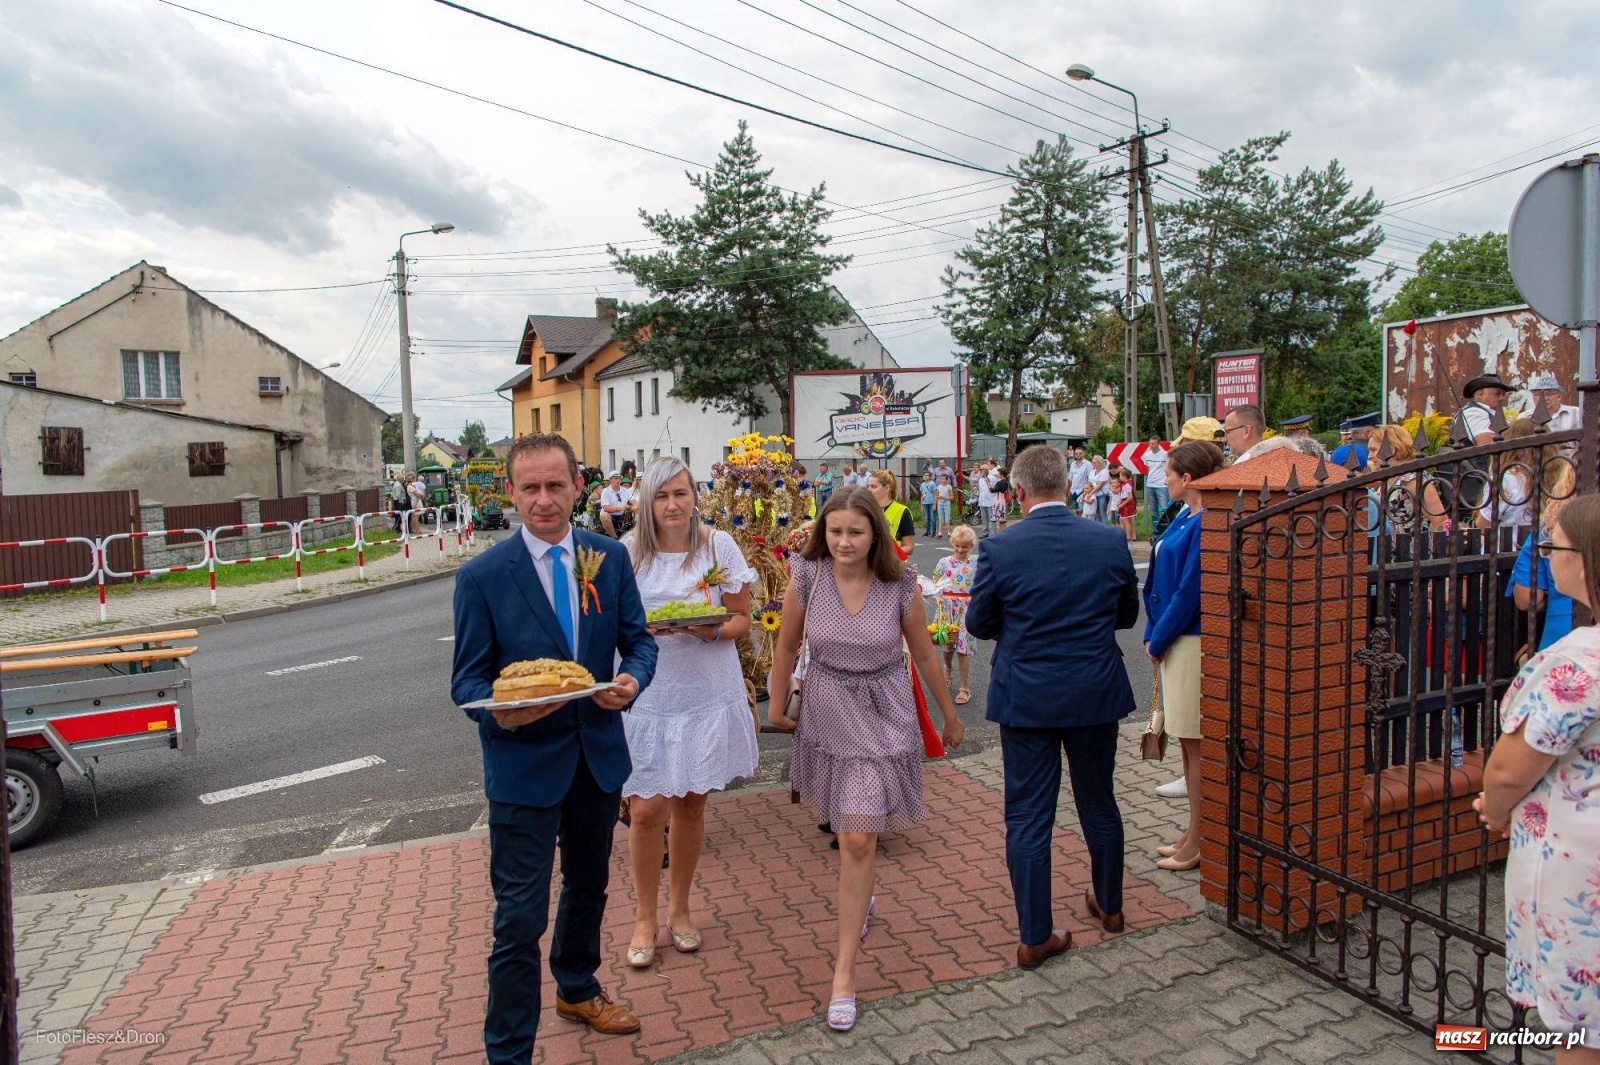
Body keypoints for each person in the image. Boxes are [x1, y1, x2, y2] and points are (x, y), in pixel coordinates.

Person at [451, 433, 658, 1063]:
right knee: (518, 917)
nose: (544, 500)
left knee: (590, 886)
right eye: (530, 488)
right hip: (523, 769)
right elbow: (467, 682)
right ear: (511, 493)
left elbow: (639, 641)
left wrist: (632, 682)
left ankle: (577, 987)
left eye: (555, 485)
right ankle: (508, 1050)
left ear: (578, 487)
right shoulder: (482, 576)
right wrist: (509, 716)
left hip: (596, 758)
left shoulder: (608, 558)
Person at [765, 489, 963, 1032]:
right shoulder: (807, 577)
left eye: (855, 532)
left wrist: (948, 714)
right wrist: (777, 702)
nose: (843, 542)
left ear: (875, 532)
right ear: (822, 533)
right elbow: (786, 646)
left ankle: (844, 976)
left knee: (857, 836)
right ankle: (862, 899)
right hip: (828, 710)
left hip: (885, 713)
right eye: (834, 532)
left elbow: (922, 651)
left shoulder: (900, 585)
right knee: (857, 834)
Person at [966, 446, 1140, 967]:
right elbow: (1127, 615)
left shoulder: (1001, 547)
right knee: (1099, 802)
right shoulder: (1109, 539)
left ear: (1018, 492)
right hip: (1093, 690)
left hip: (1028, 697)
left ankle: (1034, 934)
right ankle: (1110, 906)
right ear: (1067, 484)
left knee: (1027, 816)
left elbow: (978, 623)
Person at [1474, 493, 1600, 1060]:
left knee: (1581, 1028)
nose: (1549, 556)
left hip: (1578, 868)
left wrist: (1494, 812)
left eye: (1558, 548)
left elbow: (1507, 770)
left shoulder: (1578, 662)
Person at [620, 458, 757, 969]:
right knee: (646, 809)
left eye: (680, 494)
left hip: (703, 688)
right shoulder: (627, 553)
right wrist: (634, 635)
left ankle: (680, 911)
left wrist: (711, 630)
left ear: (694, 495)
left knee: (692, 806)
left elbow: (742, 618)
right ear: (646, 503)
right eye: (661, 496)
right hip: (650, 692)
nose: (672, 505)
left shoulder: (718, 546)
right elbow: (611, 620)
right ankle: (643, 916)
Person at [1140, 441, 1225, 873]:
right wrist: (1152, 632)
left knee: (1196, 744)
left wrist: (1159, 637)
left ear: (1188, 478)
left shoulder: (1206, 521)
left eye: (1170, 472)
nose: (1164, 478)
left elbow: (1190, 591)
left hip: (1189, 640)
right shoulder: (1184, 516)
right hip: (1174, 638)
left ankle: (1202, 837)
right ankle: (1194, 831)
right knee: (1187, 746)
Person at [935, 524, 978, 706]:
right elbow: (936, 581)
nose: (960, 550)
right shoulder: (944, 562)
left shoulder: (976, 562)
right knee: (948, 647)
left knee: (963, 649)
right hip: (947, 608)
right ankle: (948, 667)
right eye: (957, 546)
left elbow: (983, 582)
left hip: (967, 608)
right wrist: (938, 596)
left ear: (971, 546)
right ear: (952, 543)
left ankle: (964, 687)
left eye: (965, 546)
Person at [866, 469, 916, 555]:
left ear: (886, 488)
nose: (869, 490)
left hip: (893, 565)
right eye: (868, 486)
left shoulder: (902, 511)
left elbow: (909, 547)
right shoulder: (865, 509)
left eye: (873, 487)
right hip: (869, 566)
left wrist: (888, 556)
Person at [1459, 372, 1512, 445]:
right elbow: (1485, 443)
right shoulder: (1473, 412)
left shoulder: (1492, 413)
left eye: (1503, 394)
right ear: (1480, 395)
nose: (1502, 398)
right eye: (1497, 394)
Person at [599, 470, 637, 538]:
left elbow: (634, 501)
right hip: (610, 517)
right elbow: (606, 508)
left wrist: (635, 506)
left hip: (623, 516)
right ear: (610, 480)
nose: (618, 480)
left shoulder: (626, 491)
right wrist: (621, 508)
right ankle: (615, 538)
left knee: (639, 509)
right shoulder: (605, 491)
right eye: (616, 478)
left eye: (619, 478)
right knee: (604, 515)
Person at [1143, 435, 1169, 520]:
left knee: (1164, 508)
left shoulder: (1165, 454)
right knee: (1153, 510)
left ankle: (1165, 528)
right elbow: (1148, 469)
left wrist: (1166, 479)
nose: (1151, 445)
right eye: (1150, 443)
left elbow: (1168, 468)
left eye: (1153, 443)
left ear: (1158, 444)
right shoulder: (1147, 455)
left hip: (1161, 485)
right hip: (1150, 484)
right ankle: (1156, 531)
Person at [1113, 468, 1137, 541]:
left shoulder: (1128, 485)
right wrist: (1119, 501)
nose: (1119, 477)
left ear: (1124, 476)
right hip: (1123, 502)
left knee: (1126, 521)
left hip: (1127, 504)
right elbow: (1122, 495)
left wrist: (1122, 504)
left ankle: (1129, 536)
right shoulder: (1124, 484)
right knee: (1122, 520)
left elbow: (1130, 497)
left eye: (1120, 476)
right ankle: (1124, 535)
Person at [974, 462, 995, 537]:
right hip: (982, 501)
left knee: (991, 519)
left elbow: (995, 488)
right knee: (984, 519)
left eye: (982, 469)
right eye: (981, 469)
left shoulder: (992, 478)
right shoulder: (980, 479)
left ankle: (992, 534)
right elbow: (980, 489)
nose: (981, 470)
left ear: (986, 470)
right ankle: (985, 533)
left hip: (990, 501)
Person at [1088, 455, 1111, 525]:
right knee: (1097, 513)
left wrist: (1091, 492)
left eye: (1095, 462)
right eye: (1093, 462)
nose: (1093, 464)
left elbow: (1100, 485)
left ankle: (1105, 530)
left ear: (1100, 463)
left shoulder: (1104, 471)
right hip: (1095, 495)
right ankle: (1099, 530)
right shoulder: (1092, 472)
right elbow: (1089, 482)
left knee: (1102, 513)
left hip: (1102, 495)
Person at [991, 465, 1011, 533]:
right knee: (1002, 520)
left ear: (1001, 474)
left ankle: (1001, 534)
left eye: (998, 473)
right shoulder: (1006, 482)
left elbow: (992, 490)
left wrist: (988, 484)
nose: (997, 474)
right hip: (1003, 501)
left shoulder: (999, 483)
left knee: (1000, 521)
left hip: (998, 502)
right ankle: (1004, 533)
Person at [919, 469, 938, 538]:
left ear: (930, 477)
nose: (925, 477)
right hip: (925, 503)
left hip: (931, 503)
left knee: (932, 518)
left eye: (927, 475)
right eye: (924, 475)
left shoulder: (932, 484)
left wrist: (935, 504)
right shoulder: (922, 485)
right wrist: (921, 505)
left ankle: (933, 531)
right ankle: (928, 531)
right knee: (927, 518)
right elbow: (922, 495)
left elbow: (935, 494)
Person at [935, 473, 954, 540]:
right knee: (940, 519)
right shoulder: (938, 487)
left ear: (946, 480)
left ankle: (949, 533)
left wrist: (945, 497)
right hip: (940, 504)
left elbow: (952, 497)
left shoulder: (949, 487)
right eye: (941, 479)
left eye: (944, 479)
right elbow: (936, 496)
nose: (942, 480)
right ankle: (940, 533)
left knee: (947, 518)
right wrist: (936, 502)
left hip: (947, 504)